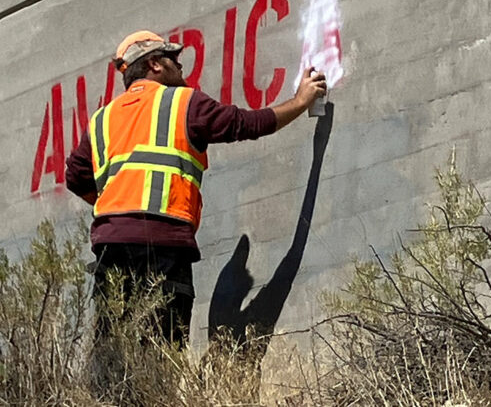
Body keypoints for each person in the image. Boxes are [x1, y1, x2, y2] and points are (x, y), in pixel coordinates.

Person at [65, 30, 327, 346]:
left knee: (113, 347)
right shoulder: (184, 102)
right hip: (164, 245)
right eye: (174, 59)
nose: (181, 67)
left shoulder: (102, 119)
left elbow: (76, 176)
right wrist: (300, 101)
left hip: (112, 247)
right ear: (154, 64)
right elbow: (247, 124)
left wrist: (114, 208)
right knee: (164, 345)